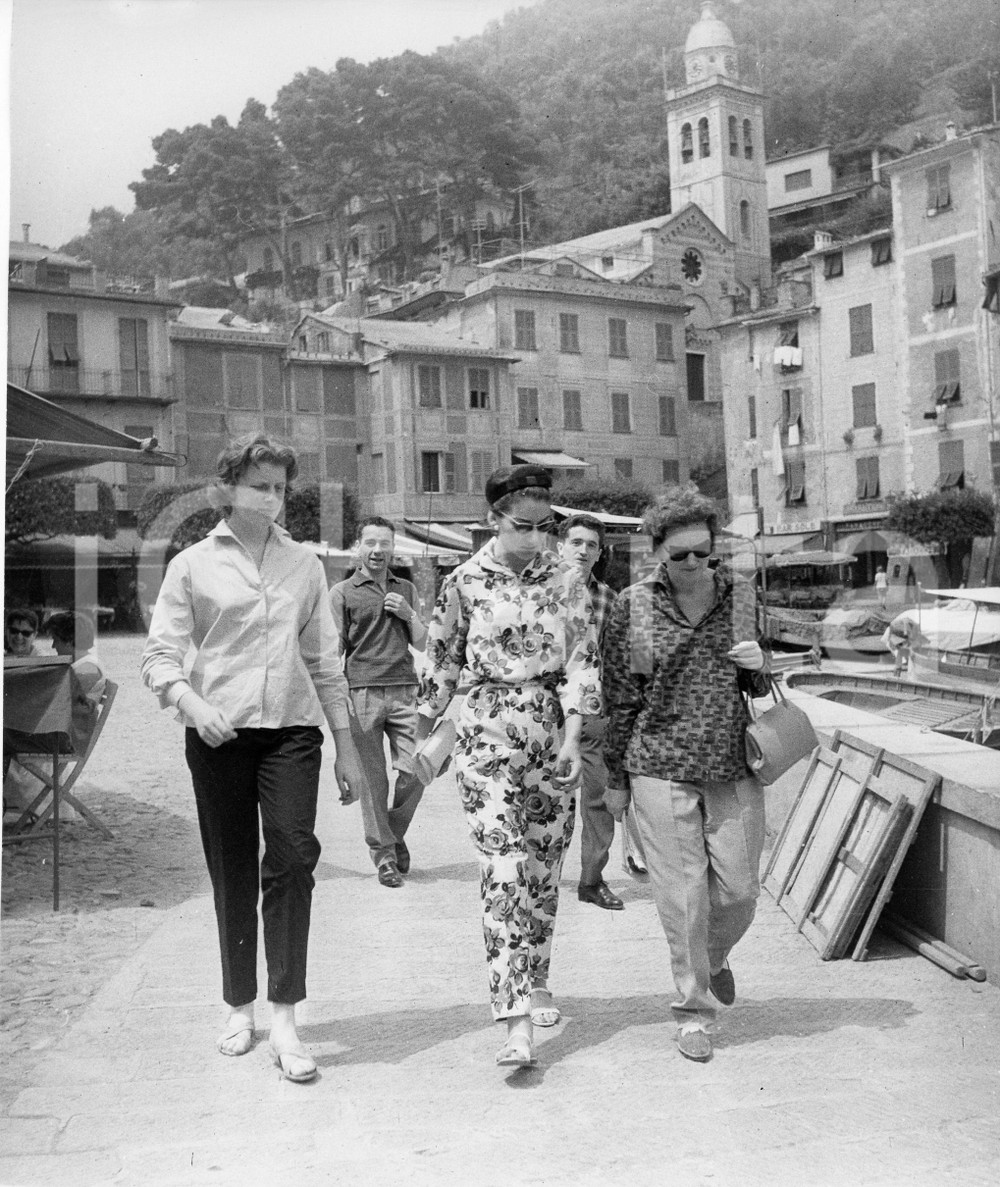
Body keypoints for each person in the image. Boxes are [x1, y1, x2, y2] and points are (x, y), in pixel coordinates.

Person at [141, 433, 367, 1083]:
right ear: (224, 489)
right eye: (260, 484)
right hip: (217, 736)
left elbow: (327, 663)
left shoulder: (304, 564)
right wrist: (190, 701)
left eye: (280, 485)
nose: (273, 496)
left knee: (294, 855)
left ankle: (287, 1016)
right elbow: (160, 656)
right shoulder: (191, 565)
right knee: (232, 867)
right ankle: (239, 1005)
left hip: (293, 733)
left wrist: (347, 751)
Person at [417, 464, 601, 1068]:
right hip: (487, 729)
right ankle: (515, 1017)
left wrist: (574, 739)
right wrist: (423, 742)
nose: (535, 538)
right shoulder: (463, 582)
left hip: (553, 734)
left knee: (544, 869)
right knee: (504, 867)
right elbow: (441, 665)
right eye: (523, 526)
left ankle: (538, 975)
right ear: (492, 520)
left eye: (544, 526)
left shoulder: (569, 580)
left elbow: (581, 663)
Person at [602, 487, 770, 1063]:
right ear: (658, 553)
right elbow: (623, 697)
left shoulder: (741, 598)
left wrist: (760, 669)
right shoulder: (636, 607)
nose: (694, 564)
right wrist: (617, 781)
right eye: (680, 556)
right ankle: (693, 1011)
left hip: (730, 763)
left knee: (742, 889)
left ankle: (715, 957)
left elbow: (758, 687)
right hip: (659, 765)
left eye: (704, 552)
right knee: (683, 898)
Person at [330, 517, 428, 888]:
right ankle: (385, 856)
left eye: (384, 543)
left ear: (393, 548)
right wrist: (339, 701)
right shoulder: (341, 592)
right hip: (362, 694)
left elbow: (421, 642)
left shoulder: (406, 589)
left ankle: (392, 832)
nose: (377, 550)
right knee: (373, 782)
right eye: (370, 543)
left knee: (417, 769)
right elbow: (333, 651)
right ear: (359, 547)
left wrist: (408, 613)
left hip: (406, 690)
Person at [556, 513, 623, 912]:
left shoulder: (608, 598)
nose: (583, 550)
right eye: (576, 542)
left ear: (599, 554)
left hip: (594, 710)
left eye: (591, 545)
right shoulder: (538, 591)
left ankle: (591, 881)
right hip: (546, 712)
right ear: (561, 546)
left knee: (597, 800)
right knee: (544, 796)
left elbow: (617, 656)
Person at [45, 611, 107, 748]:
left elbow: (57, 703)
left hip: (68, 739)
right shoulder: (79, 664)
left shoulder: (88, 668)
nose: (53, 646)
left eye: (56, 640)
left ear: (69, 640)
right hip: (60, 732)